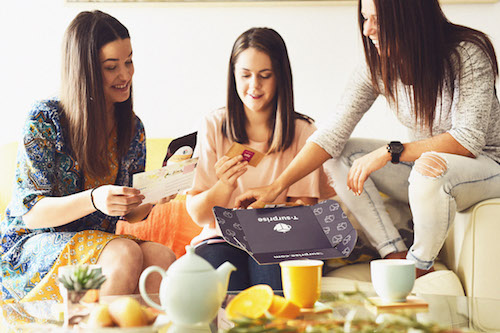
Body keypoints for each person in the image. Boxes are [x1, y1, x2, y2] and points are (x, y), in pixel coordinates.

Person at [236, 0, 500, 278]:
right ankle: (394, 253)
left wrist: (390, 151)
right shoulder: (378, 65)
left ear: (409, 16)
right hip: (429, 172)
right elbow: (332, 134)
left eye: (377, 20)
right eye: (364, 18)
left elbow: (468, 142)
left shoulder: (467, 53)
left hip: (487, 165)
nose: (367, 29)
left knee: (428, 168)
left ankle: (421, 266)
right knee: (341, 155)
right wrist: (276, 187)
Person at [0, 10, 176, 303]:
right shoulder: (45, 120)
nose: (125, 75)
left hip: (97, 246)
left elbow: (130, 214)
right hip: (31, 250)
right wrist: (94, 198)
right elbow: (32, 213)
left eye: (129, 62)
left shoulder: (132, 129)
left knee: (161, 255)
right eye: (111, 67)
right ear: (86, 70)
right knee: (124, 252)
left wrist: (157, 194)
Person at [186, 27, 334, 291]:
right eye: (245, 75)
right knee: (218, 284)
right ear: (233, 76)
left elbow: (306, 211)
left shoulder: (304, 132)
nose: (254, 86)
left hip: (279, 238)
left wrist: (266, 214)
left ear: (280, 77)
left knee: (272, 285)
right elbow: (198, 215)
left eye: (264, 76)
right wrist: (225, 186)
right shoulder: (213, 125)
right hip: (220, 238)